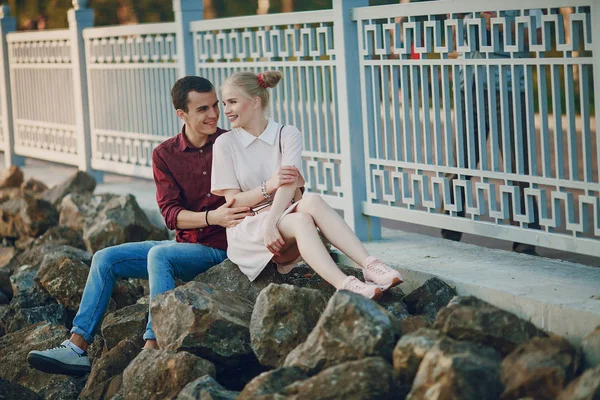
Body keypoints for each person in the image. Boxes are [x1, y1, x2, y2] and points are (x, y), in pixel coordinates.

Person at [27, 76, 251, 376]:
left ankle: (152, 344)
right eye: (202, 109)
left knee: (160, 256)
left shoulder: (230, 143)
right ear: (181, 114)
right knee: (105, 258)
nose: (213, 114)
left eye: (215, 106)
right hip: (185, 245)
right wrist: (212, 217)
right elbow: (171, 215)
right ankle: (76, 347)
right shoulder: (165, 154)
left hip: (219, 249)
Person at [211, 70, 404, 300]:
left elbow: (290, 186)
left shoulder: (287, 134)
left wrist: (272, 221)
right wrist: (270, 185)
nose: (226, 110)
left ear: (255, 102)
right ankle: (344, 284)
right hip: (250, 227)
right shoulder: (225, 143)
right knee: (301, 218)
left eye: (232, 102)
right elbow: (233, 201)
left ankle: (369, 265)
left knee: (312, 200)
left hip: (280, 217)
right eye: (224, 103)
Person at [441, 9, 543, 255]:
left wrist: (499, 24)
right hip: (470, 84)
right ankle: (448, 232)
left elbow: (537, 40)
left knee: (517, 164)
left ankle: (525, 239)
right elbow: (455, 42)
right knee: (461, 162)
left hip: (506, 87)